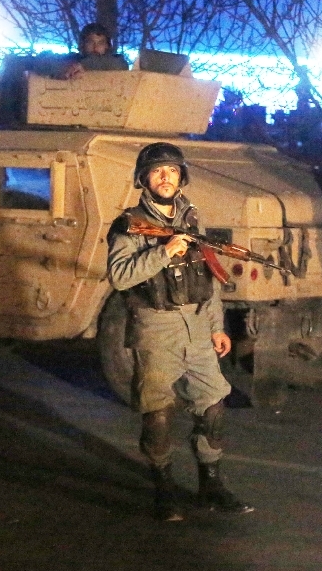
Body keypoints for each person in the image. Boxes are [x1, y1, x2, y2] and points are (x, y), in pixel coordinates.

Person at [106, 142, 253, 522]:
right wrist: (163, 251)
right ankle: (164, 491)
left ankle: (211, 486)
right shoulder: (129, 224)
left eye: (172, 170)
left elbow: (208, 276)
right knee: (157, 414)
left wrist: (217, 327)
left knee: (213, 405)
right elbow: (120, 277)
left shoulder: (191, 219)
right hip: (157, 329)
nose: (165, 177)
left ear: (181, 176)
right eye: (157, 171)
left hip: (198, 327)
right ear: (144, 179)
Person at [59, 22, 129, 79]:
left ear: (107, 46)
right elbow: (55, 65)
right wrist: (70, 68)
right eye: (90, 42)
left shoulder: (116, 63)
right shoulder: (73, 60)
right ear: (83, 44)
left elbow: (120, 65)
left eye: (101, 43)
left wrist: (85, 66)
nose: (95, 47)